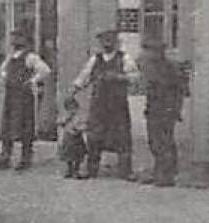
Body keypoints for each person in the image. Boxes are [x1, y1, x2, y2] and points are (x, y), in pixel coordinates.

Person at [72, 29, 139, 180]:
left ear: (116, 42)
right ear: (100, 43)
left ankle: (126, 171)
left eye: (110, 40)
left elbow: (135, 77)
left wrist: (118, 77)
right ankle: (92, 169)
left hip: (117, 104)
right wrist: (74, 90)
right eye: (104, 40)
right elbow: (84, 77)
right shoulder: (95, 60)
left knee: (122, 136)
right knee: (94, 136)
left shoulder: (125, 58)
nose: (107, 43)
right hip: (99, 104)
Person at [0, 30, 52, 170]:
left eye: (18, 38)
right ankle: (5, 157)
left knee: (25, 126)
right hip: (10, 95)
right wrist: (5, 76)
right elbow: (2, 70)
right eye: (13, 38)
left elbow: (45, 70)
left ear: (25, 40)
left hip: (24, 96)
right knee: (7, 125)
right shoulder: (11, 56)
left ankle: (25, 158)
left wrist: (32, 81)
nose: (15, 41)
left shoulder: (31, 57)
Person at [139, 41, 185, 187]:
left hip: (166, 109)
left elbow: (178, 91)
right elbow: (150, 91)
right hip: (154, 109)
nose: (149, 54)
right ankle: (159, 171)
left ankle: (167, 175)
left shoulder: (169, 68)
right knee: (154, 142)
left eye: (152, 51)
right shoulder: (151, 67)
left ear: (160, 52)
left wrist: (176, 110)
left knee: (164, 142)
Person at [57, 93, 88, 179]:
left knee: (78, 155)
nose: (72, 110)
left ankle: (76, 170)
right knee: (68, 155)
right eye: (70, 108)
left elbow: (83, 125)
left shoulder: (79, 116)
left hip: (77, 138)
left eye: (74, 108)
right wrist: (66, 119)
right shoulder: (65, 116)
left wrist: (80, 128)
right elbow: (59, 122)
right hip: (68, 138)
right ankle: (69, 169)